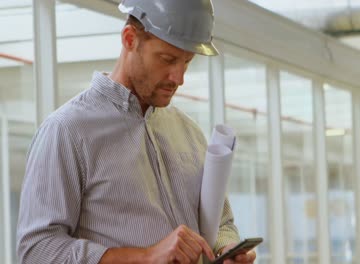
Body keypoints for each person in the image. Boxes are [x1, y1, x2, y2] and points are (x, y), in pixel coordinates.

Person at [16, 0, 257, 263]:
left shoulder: (190, 133)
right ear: (130, 39)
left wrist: (227, 247)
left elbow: (222, 223)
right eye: (167, 59)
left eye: (187, 62)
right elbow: (37, 251)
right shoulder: (66, 131)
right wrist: (145, 257)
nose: (178, 78)